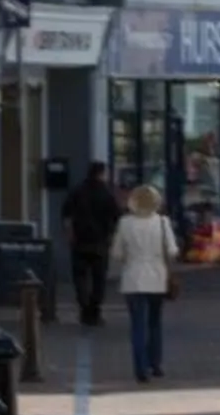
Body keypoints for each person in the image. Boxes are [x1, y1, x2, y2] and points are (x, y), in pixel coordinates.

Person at [112, 180, 179, 385]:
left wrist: (129, 258)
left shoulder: (125, 223)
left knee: (137, 325)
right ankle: (155, 363)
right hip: (157, 277)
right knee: (154, 322)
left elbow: (116, 253)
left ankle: (140, 368)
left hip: (132, 278)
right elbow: (173, 251)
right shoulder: (162, 222)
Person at [62, 159, 122, 326]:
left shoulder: (77, 191)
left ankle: (84, 308)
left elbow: (66, 215)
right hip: (100, 243)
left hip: (79, 241)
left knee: (80, 277)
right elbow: (116, 217)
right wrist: (111, 236)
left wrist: (70, 234)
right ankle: (94, 311)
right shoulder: (107, 194)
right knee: (99, 279)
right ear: (102, 173)